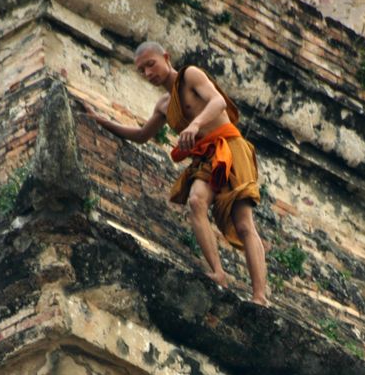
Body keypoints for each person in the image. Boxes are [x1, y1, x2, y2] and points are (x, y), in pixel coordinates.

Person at [83, 41, 268, 306]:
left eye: (151, 65)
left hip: (230, 147)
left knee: (243, 222)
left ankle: (260, 296)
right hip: (205, 159)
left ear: (166, 58)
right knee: (195, 202)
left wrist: (195, 124)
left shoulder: (190, 75)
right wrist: (100, 121)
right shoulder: (163, 106)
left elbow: (218, 102)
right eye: (142, 71)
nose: (148, 73)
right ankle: (218, 272)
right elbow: (141, 135)